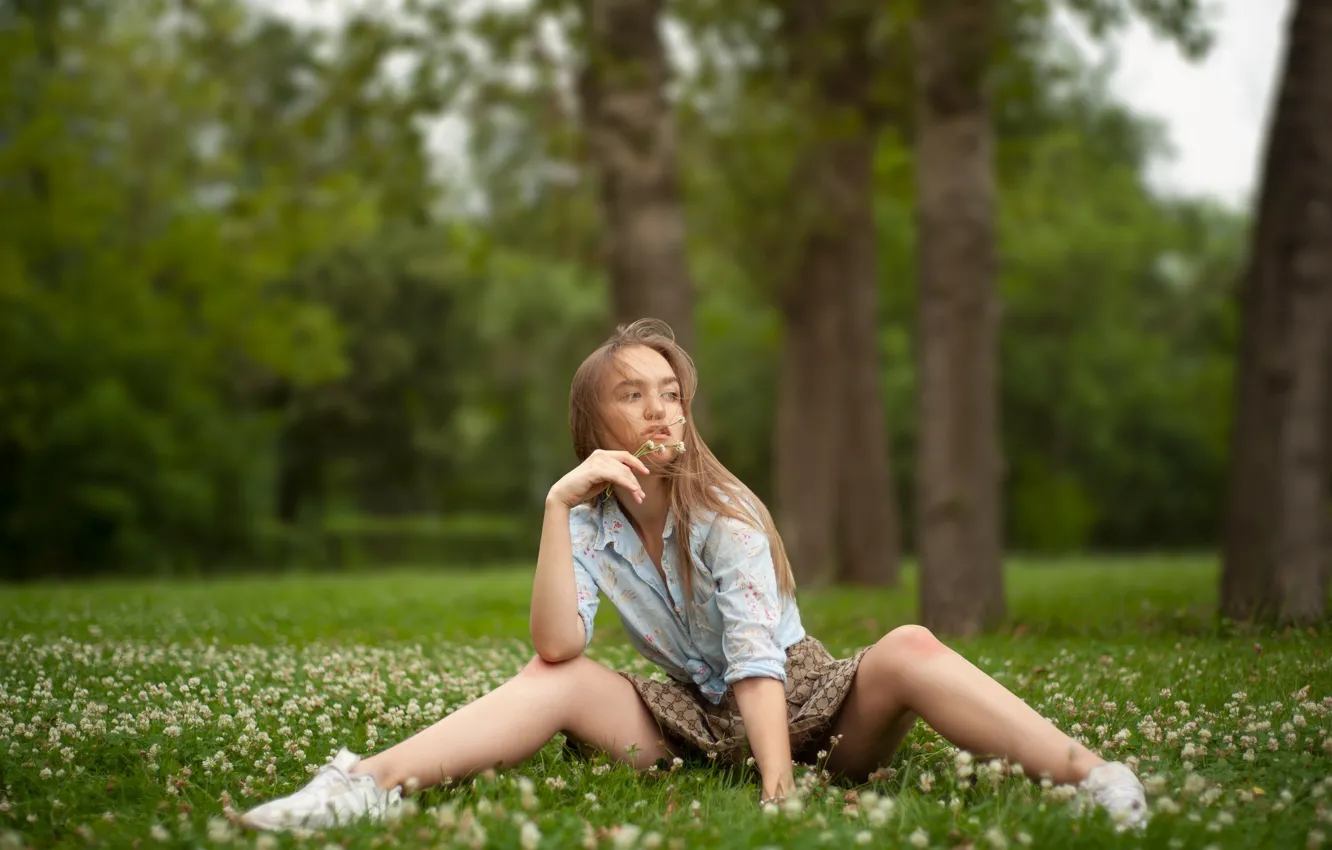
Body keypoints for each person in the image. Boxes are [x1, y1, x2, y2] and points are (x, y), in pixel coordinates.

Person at [238, 319, 1148, 832]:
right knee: (555, 679)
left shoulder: (726, 515)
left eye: (669, 391)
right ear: (596, 422)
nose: (658, 407)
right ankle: (355, 788)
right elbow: (558, 644)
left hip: (806, 706)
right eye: (632, 394)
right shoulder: (590, 518)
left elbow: (758, 662)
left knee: (907, 645)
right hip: (688, 715)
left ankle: (1093, 774)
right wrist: (557, 509)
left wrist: (777, 793)